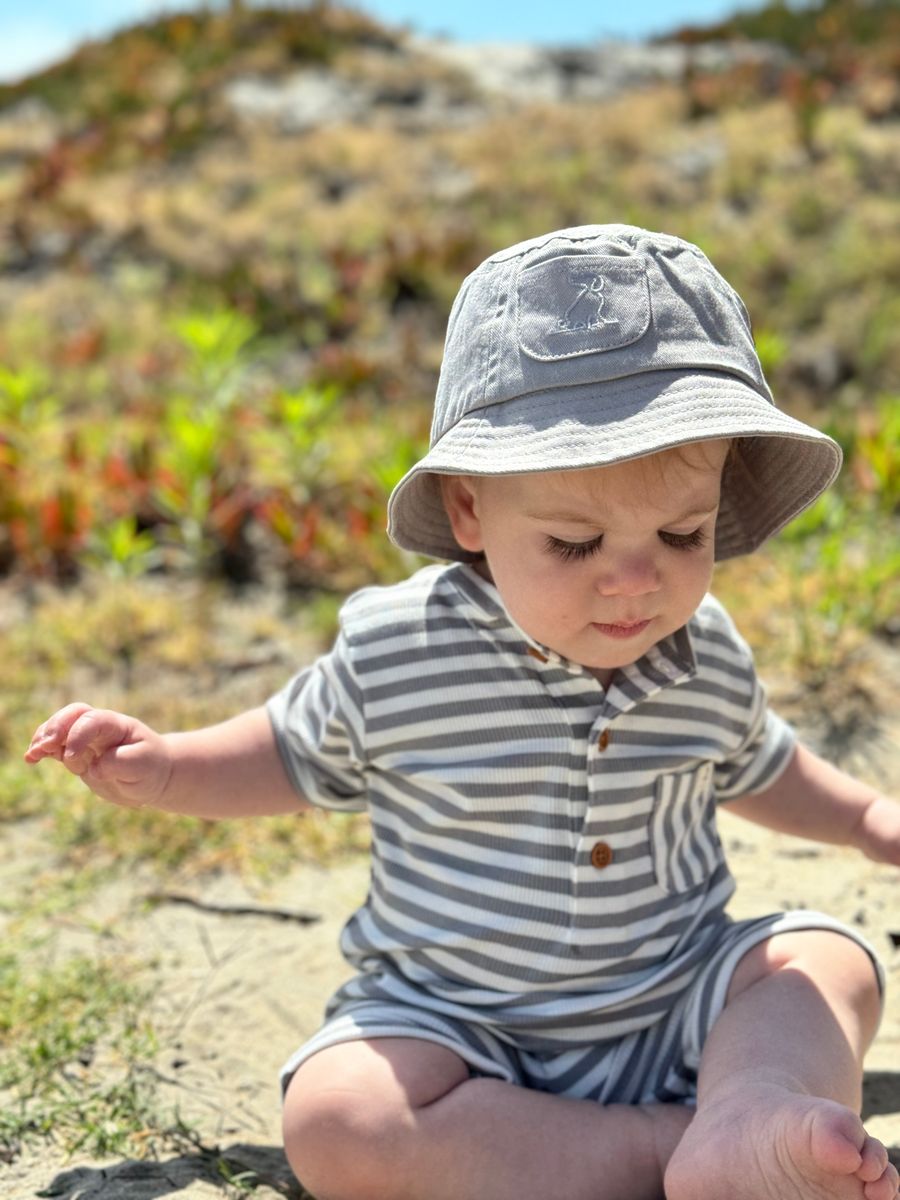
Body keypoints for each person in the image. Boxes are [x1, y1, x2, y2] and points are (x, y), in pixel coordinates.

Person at [26, 225, 900, 1200]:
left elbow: (763, 763)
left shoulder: (705, 652)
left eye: (684, 533)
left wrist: (866, 818)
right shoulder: (398, 651)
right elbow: (283, 751)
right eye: (574, 544)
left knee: (826, 964)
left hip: (675, 1006)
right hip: (458, 1030)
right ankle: (675, 1149)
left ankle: (746, 1102)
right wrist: (165, 767)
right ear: (471, 510)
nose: (636, 580)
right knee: (339, 1120)